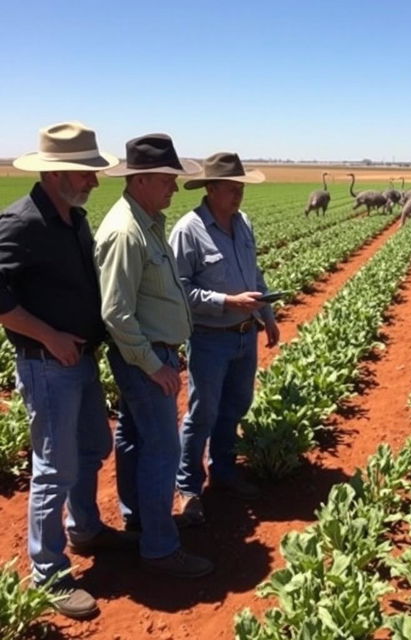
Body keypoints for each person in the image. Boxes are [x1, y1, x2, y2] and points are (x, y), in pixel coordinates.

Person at [0, 122, 136, 619]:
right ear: (57, 172)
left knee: (94, 447)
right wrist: (48, 334)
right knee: (54, 467)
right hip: (46, 365)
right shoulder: (20, 222)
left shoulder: (73, 219)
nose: (94, 183)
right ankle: (49, 574)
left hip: (79, 362)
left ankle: (85, 529)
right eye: (87, 174)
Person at [94, 133, 213, 577]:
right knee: (162, 449)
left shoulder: (144, 221)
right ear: (142, 179)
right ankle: (161, 548)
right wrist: (154, 365)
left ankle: (139, 521)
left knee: (134, 440)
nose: (174, 188)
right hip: (146, 360)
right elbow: (117, 312)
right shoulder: (127, 231)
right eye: (167, 180)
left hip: (148, 356)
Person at [168, 152, 279, 523]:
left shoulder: (243, 223)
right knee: (202, 413)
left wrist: (268, 314)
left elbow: (255, 275)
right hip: (210, 338)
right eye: (231, 189)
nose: (238, 196)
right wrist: (226, 301)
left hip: (246, 336)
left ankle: (224, 470)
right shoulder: (189, 230)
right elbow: (178, 290)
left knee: (235, 406)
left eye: (241, 189)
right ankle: (188, 488)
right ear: (211, 188)